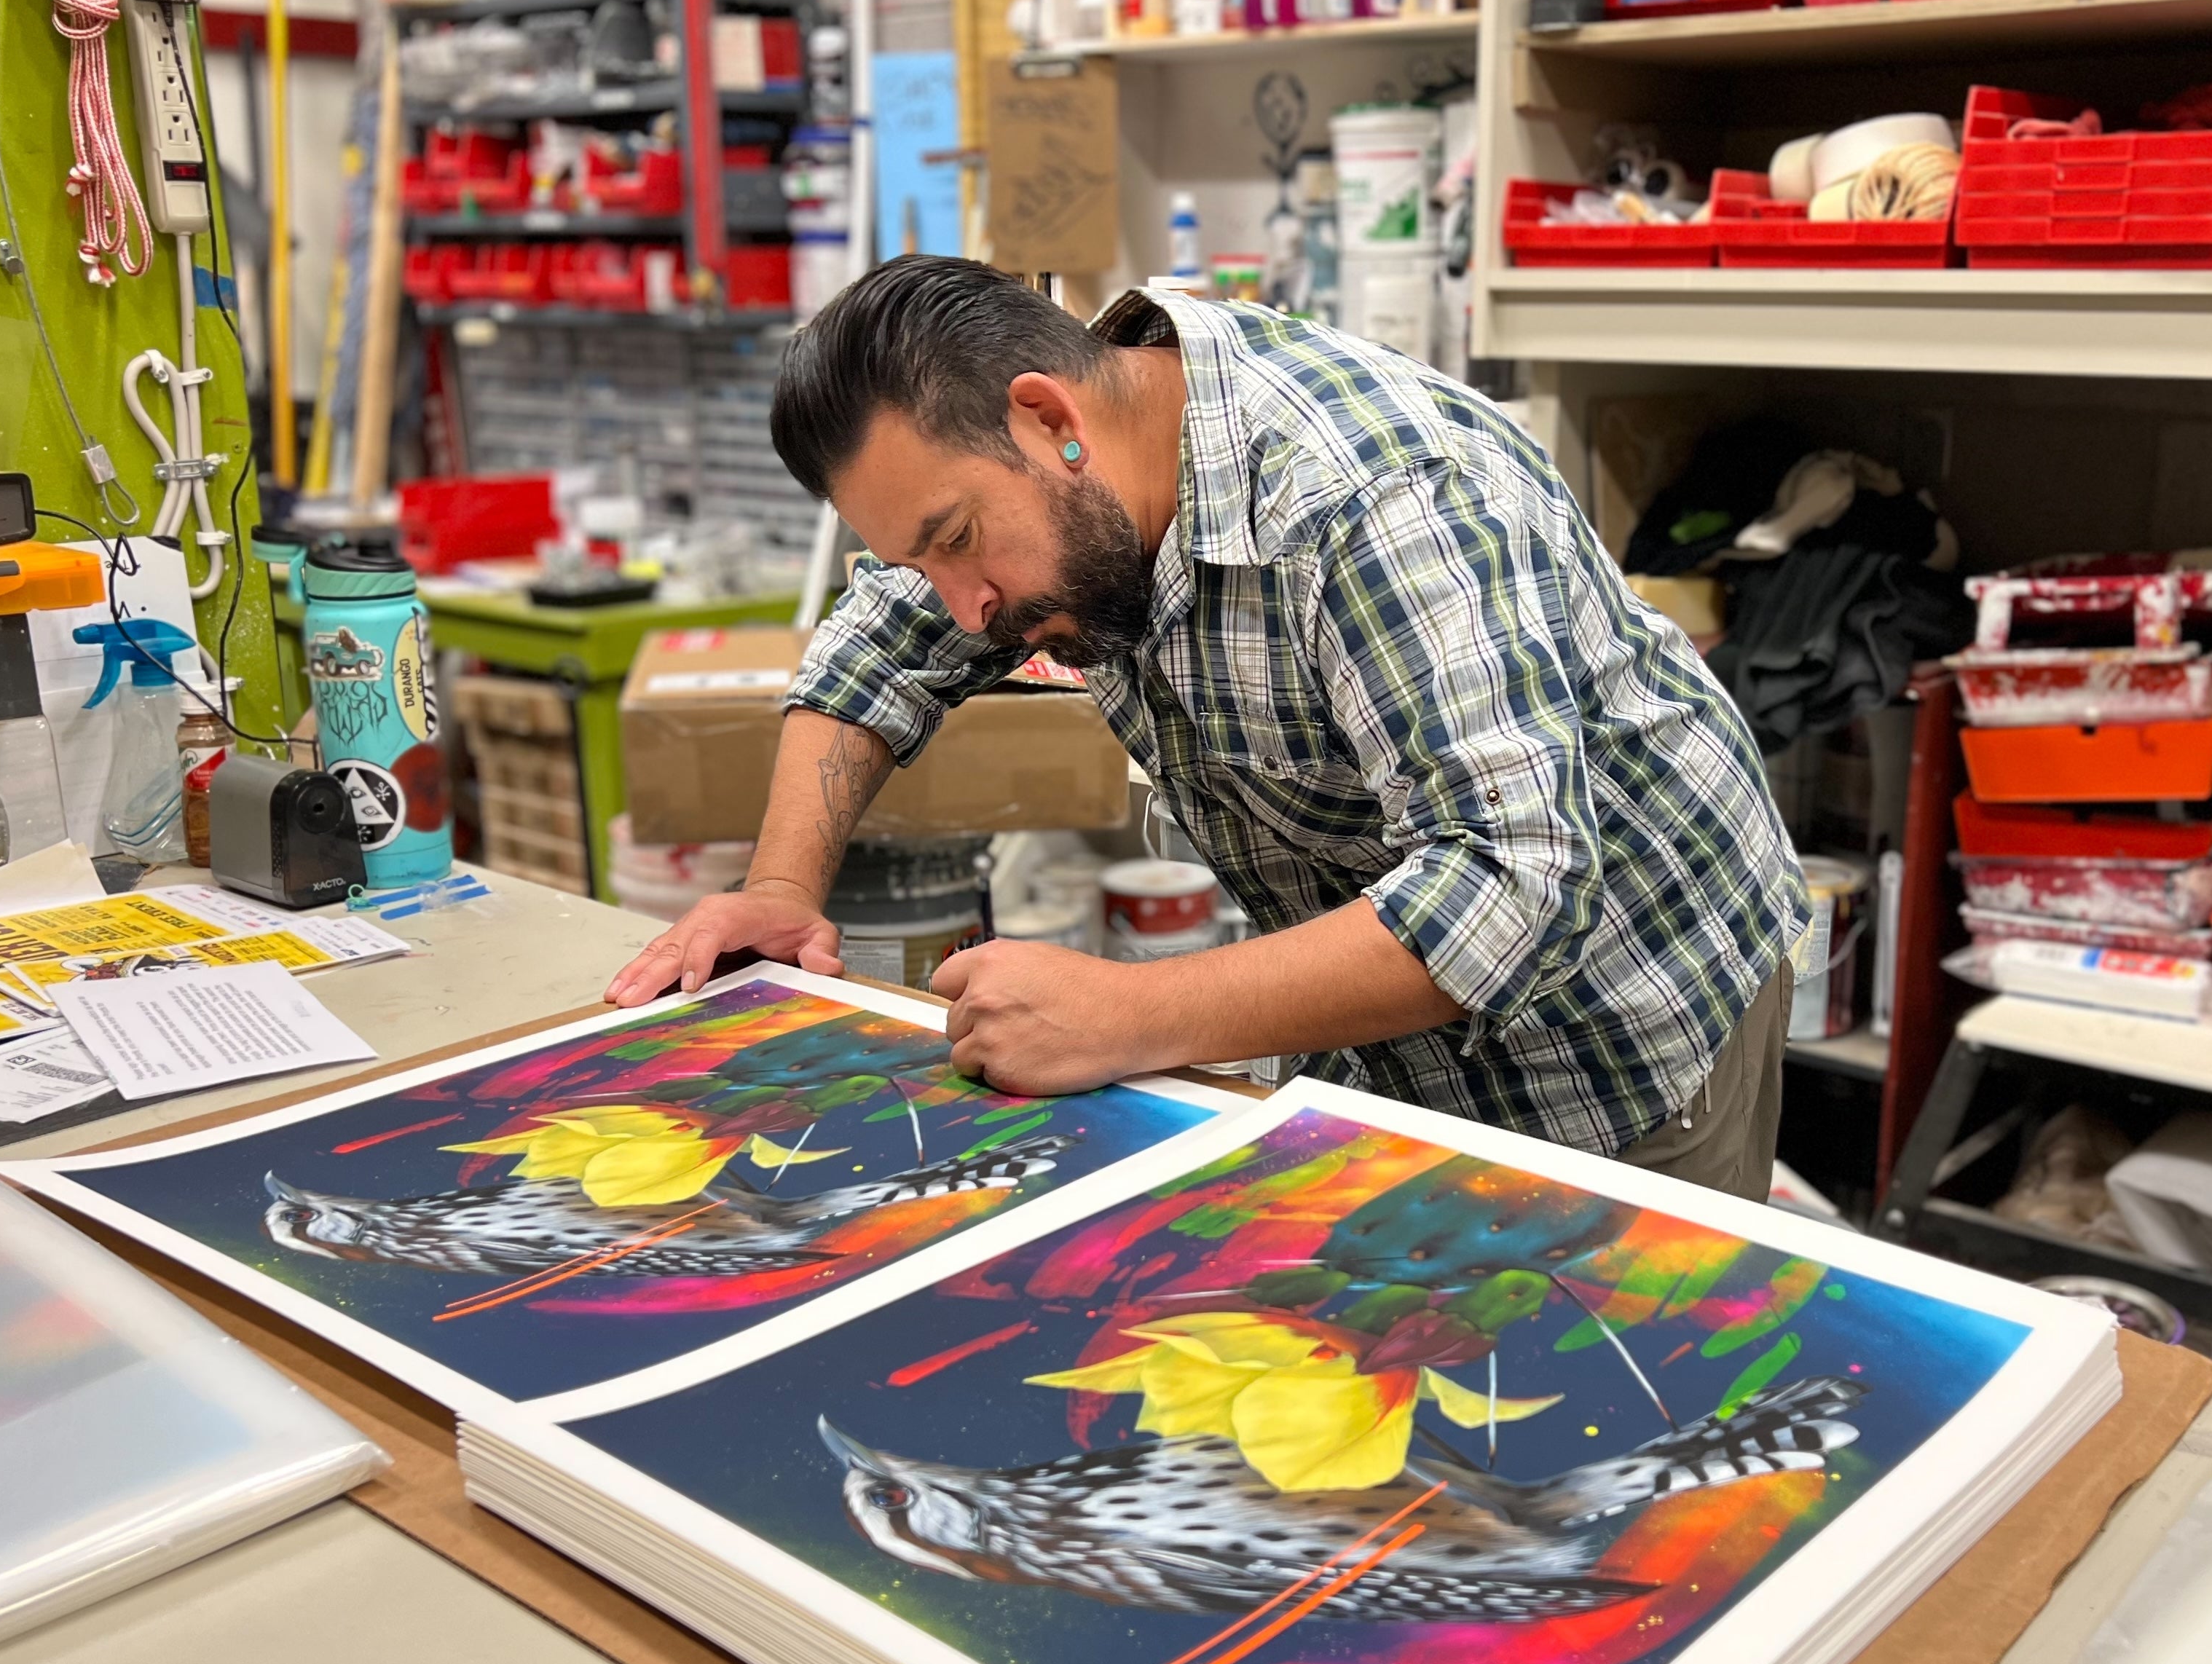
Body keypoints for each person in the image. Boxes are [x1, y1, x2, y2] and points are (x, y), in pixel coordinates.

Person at [606, 260, 1806, 1199]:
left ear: (1046, 419)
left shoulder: (1377, 497)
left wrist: (1133, 1011)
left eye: (956, 538)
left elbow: (1516, 886)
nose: (961, 604)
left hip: (1627, 1008)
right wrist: (778, 888)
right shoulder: (1074, 475)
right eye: (920, 557)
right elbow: (876, 648)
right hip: (1391, 1029)